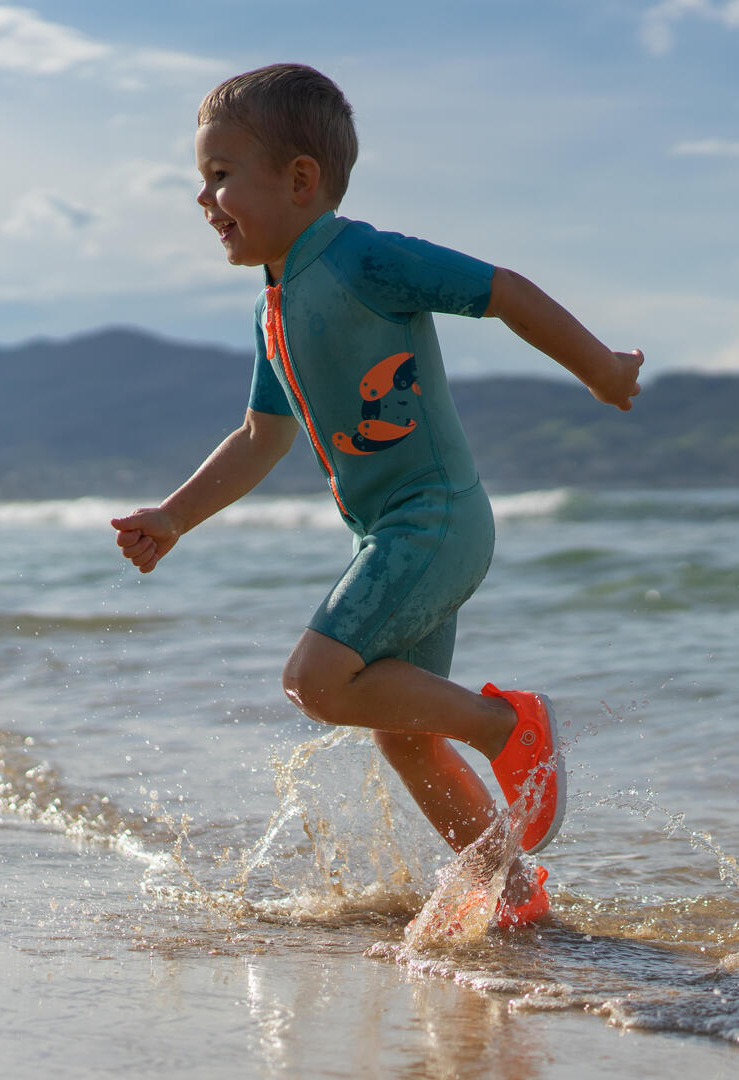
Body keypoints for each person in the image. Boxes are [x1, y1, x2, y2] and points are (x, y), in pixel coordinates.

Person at [111, 63, 643, 927]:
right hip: (391, 537)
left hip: (433, 521)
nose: (202, 197)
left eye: (219, 174)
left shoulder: (367, 259)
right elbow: (260, 438)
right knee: (402, 736)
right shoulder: (272, 307)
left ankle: (507, 728)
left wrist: (602, 369)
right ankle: (515, 895)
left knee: (317, 682)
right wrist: (174, 516)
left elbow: (500, 290)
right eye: (200, 178)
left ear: (299, 179)